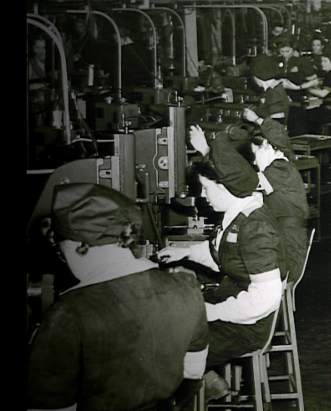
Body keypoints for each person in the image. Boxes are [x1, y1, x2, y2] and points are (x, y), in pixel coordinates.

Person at [28, 183, 209, 411]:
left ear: (76, 244)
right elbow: (193, 374)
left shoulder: (67, 314)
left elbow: (49, 406)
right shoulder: (186, 288)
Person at [158, 128, 286, 385]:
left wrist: (211, 312)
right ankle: (208, 384)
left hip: (245, 326)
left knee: (163, 349)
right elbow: (223, 253)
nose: (203, 196)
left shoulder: (255, 227)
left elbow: (265, 299)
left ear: (225, 187)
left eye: (206, 189)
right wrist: (184, 253)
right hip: (231, 307)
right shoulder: (239, 216)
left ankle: (197, 386)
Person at [242, 107, 311, 284]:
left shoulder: (279, 169)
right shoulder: (284, 166)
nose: (255, 161)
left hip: (288, 256)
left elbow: (242, 185)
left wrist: (207, 152)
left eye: (255, 154)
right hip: (289, 247)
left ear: (265, 146)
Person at [274, 34, 319, 136]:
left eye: (287, 51)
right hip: (279, 102)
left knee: (296, 131)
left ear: (293, 49)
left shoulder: (301, 62)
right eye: (281, 52)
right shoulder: (275, 62)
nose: (284, 54)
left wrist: (297, 87)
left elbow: (314, 81)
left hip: (296, 102)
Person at [248, 54, 290, 123]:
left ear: (257, 76)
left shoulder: (274, 94)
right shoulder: (271, 91)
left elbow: (277, 128)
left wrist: (255, 119)